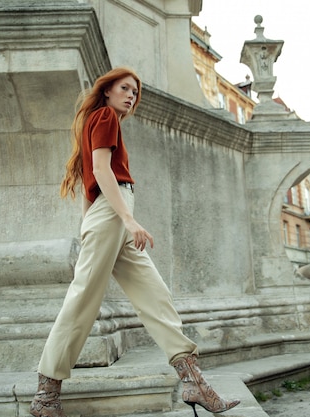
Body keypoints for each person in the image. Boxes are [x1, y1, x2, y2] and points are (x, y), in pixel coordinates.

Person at [30, 67, 240, 417]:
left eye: (135, 92)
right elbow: (100, 172)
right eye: (125, 88)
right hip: (114, 214)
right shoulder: (105, 116)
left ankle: (193, 381)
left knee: (155, 294)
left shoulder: (97, 121)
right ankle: (46, 395)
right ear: (107, 91)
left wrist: (95, 224)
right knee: (83, 299)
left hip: (108, 214)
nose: (131, 95)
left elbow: (89, 182)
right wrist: (126, 221)